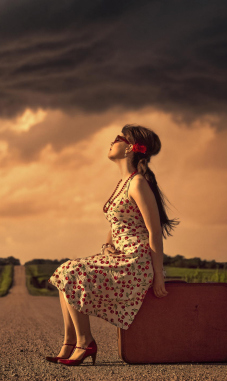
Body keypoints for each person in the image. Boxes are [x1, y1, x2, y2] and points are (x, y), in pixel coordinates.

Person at [45, 124, 180, 366]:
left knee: (71, 271)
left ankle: (85, 342)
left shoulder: (137, 183)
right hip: (120, 256)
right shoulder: (124, 183)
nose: (111, 142)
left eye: (116, 139)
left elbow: (155, 231)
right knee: (63, 272)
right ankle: (69, 342)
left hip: (136, 262)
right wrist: (107, 246)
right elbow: (117, 223)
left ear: (129, 148)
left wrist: (158, 274)